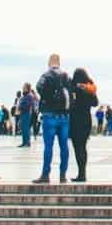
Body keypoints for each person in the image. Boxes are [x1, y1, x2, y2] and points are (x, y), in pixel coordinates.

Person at [33, 53, 73, 184]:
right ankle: (62, 175)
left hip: (49, 114)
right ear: (59, 62)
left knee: (48, 146)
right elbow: (71, 92)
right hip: (64, 116)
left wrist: (47, 98)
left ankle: (45, 174)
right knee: (64, 146)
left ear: (49, 62)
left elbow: (39, 87)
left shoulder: (46, 75)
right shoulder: (66, 75)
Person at [69, 68, 99, 182]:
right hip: (86, 120)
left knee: (77, 148)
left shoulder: (74, 88)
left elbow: (71, 104)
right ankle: (83, 173)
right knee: (83, 146)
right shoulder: (89, 88)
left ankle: (81, 174)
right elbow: (95, 103)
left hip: (76, 120)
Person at [16, 82, 36, 148]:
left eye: (24, 87)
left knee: (26, 129)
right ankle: (24, 142)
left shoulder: (29, 95)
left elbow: (29, 104)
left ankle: (27, 143)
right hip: (23, 113)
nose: (23, 88)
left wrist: (21, 106)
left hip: (27, 113)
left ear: (27, 88)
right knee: (23, 128)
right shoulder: (24, 96)